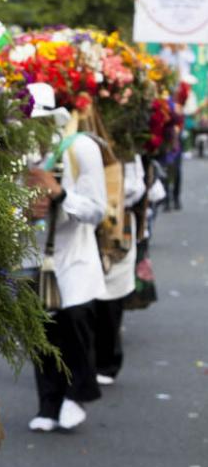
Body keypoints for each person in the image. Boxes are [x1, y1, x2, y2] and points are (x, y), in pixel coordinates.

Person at [25, 83, 107, 432]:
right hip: (32, 253)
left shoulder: (82, 148)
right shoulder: (16, 151)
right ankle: (48, 403)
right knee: (40, 329)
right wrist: (25, 209)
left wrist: (60, 196)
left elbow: (98, 210)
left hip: (73, 255)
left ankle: (77, 394)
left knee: (73, 320)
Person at [94, 155, 146, 385]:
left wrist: (110, 193)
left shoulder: (126, 152)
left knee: (111, 298)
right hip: (83, 224)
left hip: (116, 225)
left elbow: (137, 187)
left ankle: (107, 361)